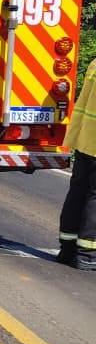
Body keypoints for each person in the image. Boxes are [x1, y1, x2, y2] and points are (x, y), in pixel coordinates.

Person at [59, 59, 96, 269]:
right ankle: (88, 254)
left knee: (77, 193)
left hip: (84, 141)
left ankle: (68, 248)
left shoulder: (94, 64)